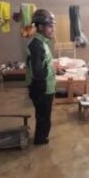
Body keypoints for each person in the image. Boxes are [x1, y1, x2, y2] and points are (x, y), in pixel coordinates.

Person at [26, 9, 63, 145]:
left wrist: (55, 68)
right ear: (40, 27)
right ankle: (40, 142)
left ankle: (41, 138)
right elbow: (38, 73)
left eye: (53, 26)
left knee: (43, 117)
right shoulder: (36, 45)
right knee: (43, 118)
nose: (53, 29)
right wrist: (53, 69)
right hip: (41, 90)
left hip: (45, 88)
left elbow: (43, 65)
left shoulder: (42, 43)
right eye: (50, 26)